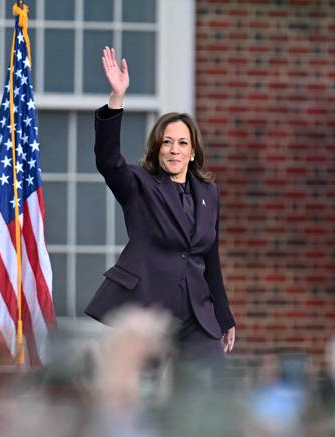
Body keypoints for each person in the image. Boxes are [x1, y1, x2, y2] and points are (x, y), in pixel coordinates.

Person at [84, 47, 236, 365]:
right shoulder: (139, 184)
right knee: (145, 400)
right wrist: (116, 98)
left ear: (193, 152)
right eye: (167, 142)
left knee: (208, 393)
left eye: (182, 143)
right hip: (148, 312)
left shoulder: (209, 192)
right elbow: (108, 160)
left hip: (197, 317)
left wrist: (223, 316)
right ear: (157, 149)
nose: (174, 150)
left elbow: (210, 257)